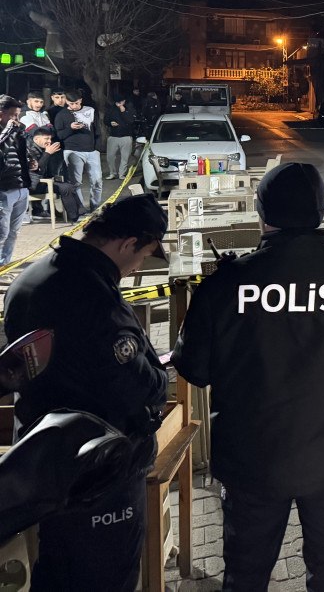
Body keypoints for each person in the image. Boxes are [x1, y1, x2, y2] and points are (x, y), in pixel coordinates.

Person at [172, 163, 324, 591]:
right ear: (320, 211)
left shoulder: (226, 284)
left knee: (245, 573)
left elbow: (193, 368)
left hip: (251, 456)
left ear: (262, 213)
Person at [3, 195, 169, 590]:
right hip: (99, 469)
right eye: (143, 256)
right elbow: (137, 386)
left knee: (58, 567)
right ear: (129, 243)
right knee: (105, 575)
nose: (137, 267)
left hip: (44, 453)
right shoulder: (94, 297)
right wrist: (160, 381)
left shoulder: (34, 275)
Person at [55, 91, 102, 214]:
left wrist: (97, 148)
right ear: (66, 101)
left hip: (92, 151)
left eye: (76, 103)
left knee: (97, 181)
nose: (74, 106)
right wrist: (70, 128)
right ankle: (80, 208)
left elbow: (97, 130)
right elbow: (59, 135)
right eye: (71, 104)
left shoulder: (90, 110)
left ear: (80, 100)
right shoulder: (61, 115)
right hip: (72, 151)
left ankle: (95, 206)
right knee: (76, 183)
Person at [0, 96, 32, 264]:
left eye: (19, 115)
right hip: (3, 190)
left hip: (21, 187)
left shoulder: (17, 132)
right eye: (13, 115)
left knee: (13, 232)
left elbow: (22, 154)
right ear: (1, 114)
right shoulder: (8, 132)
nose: (17, 119)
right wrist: (9, 131)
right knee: (1, 233)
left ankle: (4, 265)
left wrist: (31, 163)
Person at [28, 125, 81, 223]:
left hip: (44, 182)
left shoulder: (45, 149)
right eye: (46, 139)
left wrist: (54, 154)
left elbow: (52, 171)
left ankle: (76, 215)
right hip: (33, 185)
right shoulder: (29, 150)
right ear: (36, 139)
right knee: (65, 188)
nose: (49, 141)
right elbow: (37, 170)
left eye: (50, 139)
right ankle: (74, 217)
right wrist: (47, 153)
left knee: (69, 186)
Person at [104, 95, 137, 180]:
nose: (121, 103)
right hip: (113, 136)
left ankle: (122, 174)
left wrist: (124, 112)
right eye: (119, 102)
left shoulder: (129, 108)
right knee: (110, 157)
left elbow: (131, 120)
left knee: (125, 157)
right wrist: (110, 123)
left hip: (126, 136)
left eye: (122, 101)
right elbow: (105, 120)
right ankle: (112, 173)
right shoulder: (111, 109)